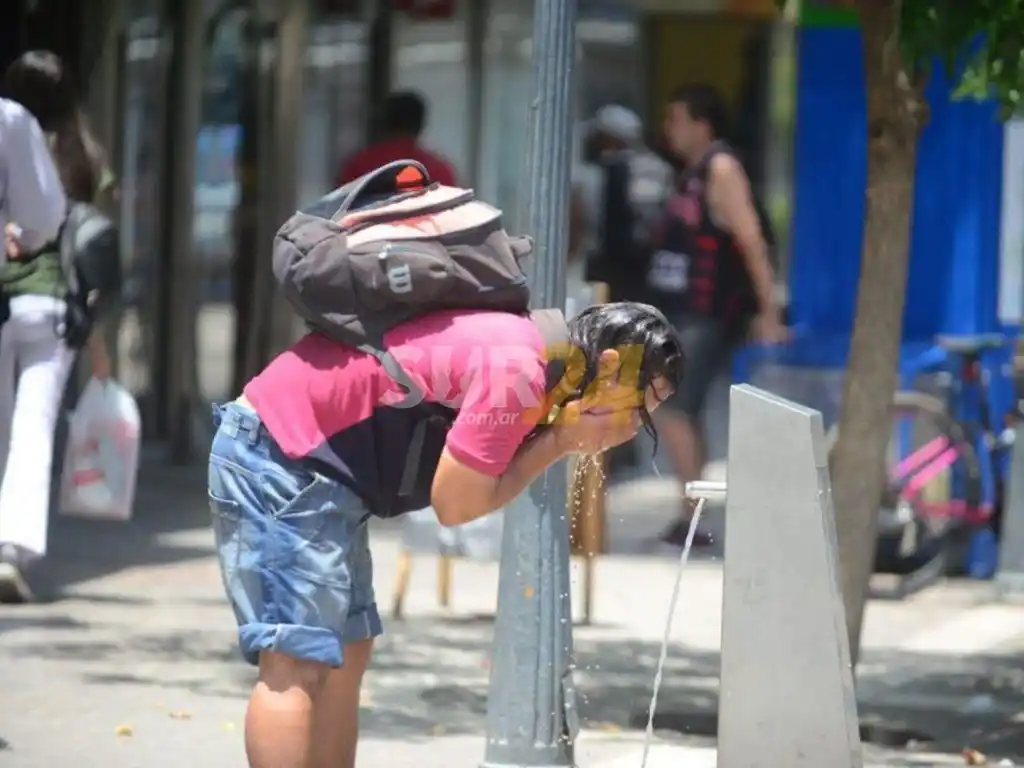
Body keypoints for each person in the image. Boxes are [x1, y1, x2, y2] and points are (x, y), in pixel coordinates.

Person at [209, 301, 684, 767]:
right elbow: (455, 504)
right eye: (643, 405)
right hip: (279, 451)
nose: (632, 427)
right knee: (295, 662)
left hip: (323, 469)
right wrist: (558, 444)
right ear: (610, 365)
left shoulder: (539, 360)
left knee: (348, 650)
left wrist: (558, 436)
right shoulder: (521, 371)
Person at [0, 50, 116, 603]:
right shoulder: (82, 155)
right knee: (34, 427)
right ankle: (11, 548)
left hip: (6, 298)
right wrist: (99, 341)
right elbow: (75, 232)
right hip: (50, 305)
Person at [650, 83, 787, 547]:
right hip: (684, 309)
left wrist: (770, 310)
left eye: (677, 119)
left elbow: (750, 239)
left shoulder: (721, 168)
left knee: (671, 407)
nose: (669, 130)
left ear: (701, 124)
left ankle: (692, 517)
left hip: (707, 313)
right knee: (681, 410)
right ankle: (692, 510)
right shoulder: (688, 172)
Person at [571, 104, 674, 306]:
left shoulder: (589, 173)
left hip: (603, 266)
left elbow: (577, 221)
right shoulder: (659, 170)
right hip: (644, 269)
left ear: (610, 137)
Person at [336, 91, 457, 187]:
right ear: (420, 125)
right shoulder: (439, 169)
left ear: (383, 123)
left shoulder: (359, 165)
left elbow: (337, 211)